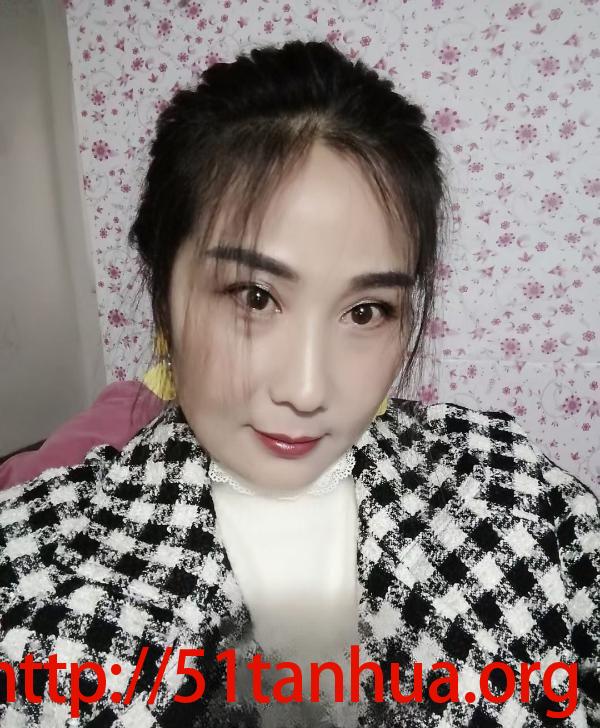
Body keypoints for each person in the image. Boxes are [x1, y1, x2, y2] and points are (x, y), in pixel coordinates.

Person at [0, 39, 598, 728]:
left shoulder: (513, 488)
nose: (308, 390)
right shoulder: (32, 567)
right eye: (254, 298)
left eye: (366, 311)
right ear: (162, 289)